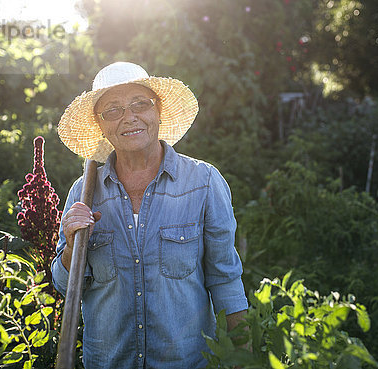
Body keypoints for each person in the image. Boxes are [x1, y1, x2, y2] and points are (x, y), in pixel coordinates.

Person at [51, 62, 248, 369]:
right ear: (101, 126)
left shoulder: (203, 183)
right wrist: (72, 247)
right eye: (112, 110)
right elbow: (66, 286)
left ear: (158, 111)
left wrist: (242, 358)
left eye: (139, 104)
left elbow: (225, 279)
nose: (129, 117)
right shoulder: (84, 193)